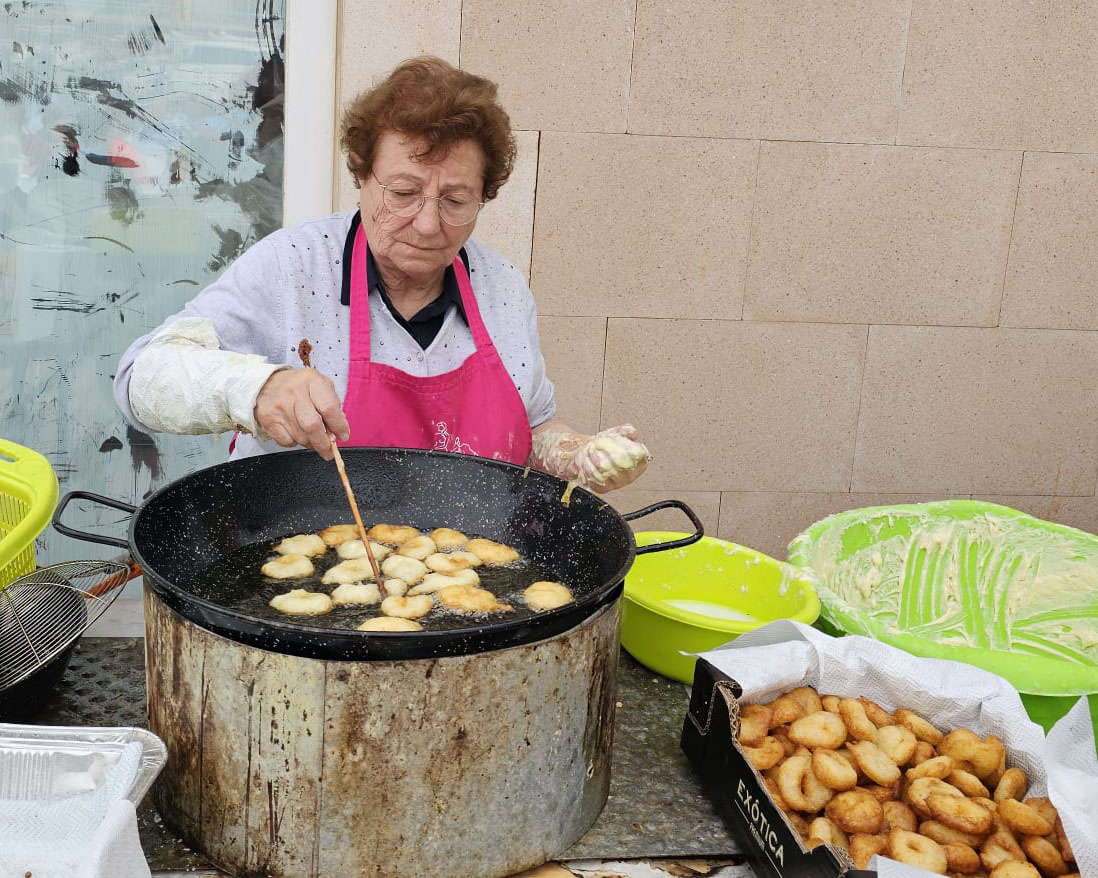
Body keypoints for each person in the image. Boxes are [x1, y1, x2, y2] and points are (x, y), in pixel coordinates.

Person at [114, 56, 649, 493]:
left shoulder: (503, 289)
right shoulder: (291, 266)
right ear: (362, 173)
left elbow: (531, 429)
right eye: (404, 193)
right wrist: (255, 387)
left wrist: (577, 454)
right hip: (297, 571)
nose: (427, 223)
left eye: (455, 200)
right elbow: (140, 378)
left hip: (466, 577)